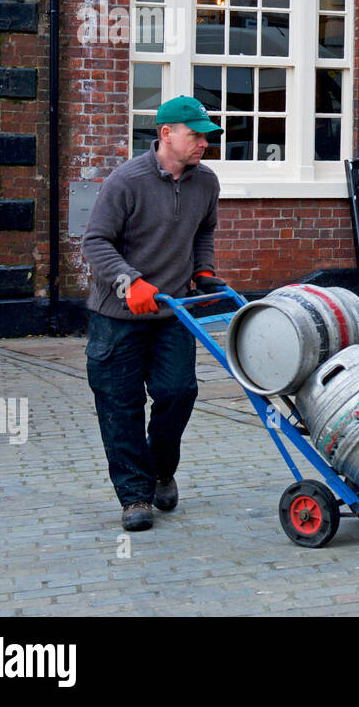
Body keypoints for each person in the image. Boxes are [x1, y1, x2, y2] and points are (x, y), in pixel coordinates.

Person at [82, 96, 225, 532]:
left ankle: (161, 469)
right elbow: (95, 243)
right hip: (117, 319)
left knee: (178, 392)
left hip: (170, 314)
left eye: (206, 136)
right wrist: (131, 281)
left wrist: (203, 269)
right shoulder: (127, 181)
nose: (204, 143)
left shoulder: (206, 183)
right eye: (196, 135)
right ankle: (135, 496)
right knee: (120, 407)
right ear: (166, 134)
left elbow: (204, 231)